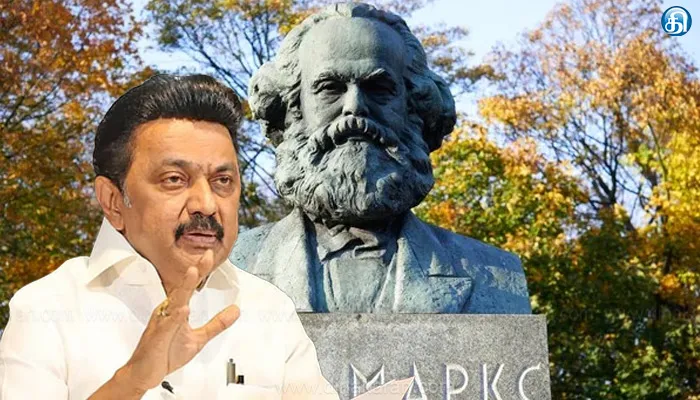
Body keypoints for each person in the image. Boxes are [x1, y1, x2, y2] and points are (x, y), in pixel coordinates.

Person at [0, 74, 338, 399]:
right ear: (113, 201)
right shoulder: (47, 309)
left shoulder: (268, 309)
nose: (206, 204)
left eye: (222, 181)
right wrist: (131, 383)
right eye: (174, 179)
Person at [230, 3, 532, 314]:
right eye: (329, 88)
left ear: (413, 108)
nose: (355, 107)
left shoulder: (495, 274)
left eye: (379, 88)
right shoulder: (225, 271)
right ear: (294, 110)